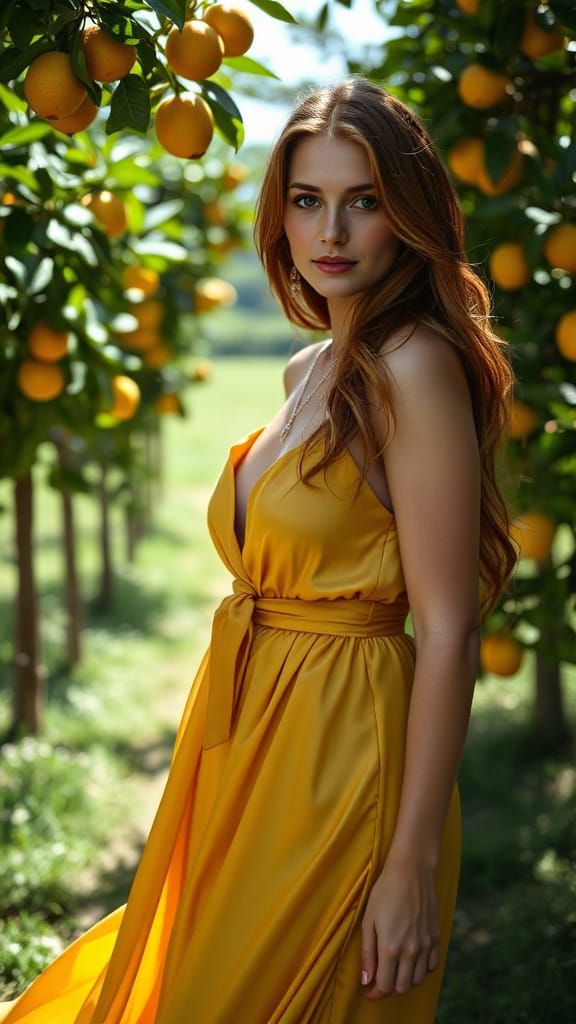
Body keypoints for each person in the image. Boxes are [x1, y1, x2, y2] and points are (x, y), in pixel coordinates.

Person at [0, 76, 516, 1023]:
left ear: (407, 212)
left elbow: (447, 628)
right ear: (278, 217)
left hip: (345, 748)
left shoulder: (417, 368)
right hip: (249, 733)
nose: (332, 233)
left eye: (363, 202)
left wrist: (408, 865)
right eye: (307, 202)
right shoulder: (307, 367)